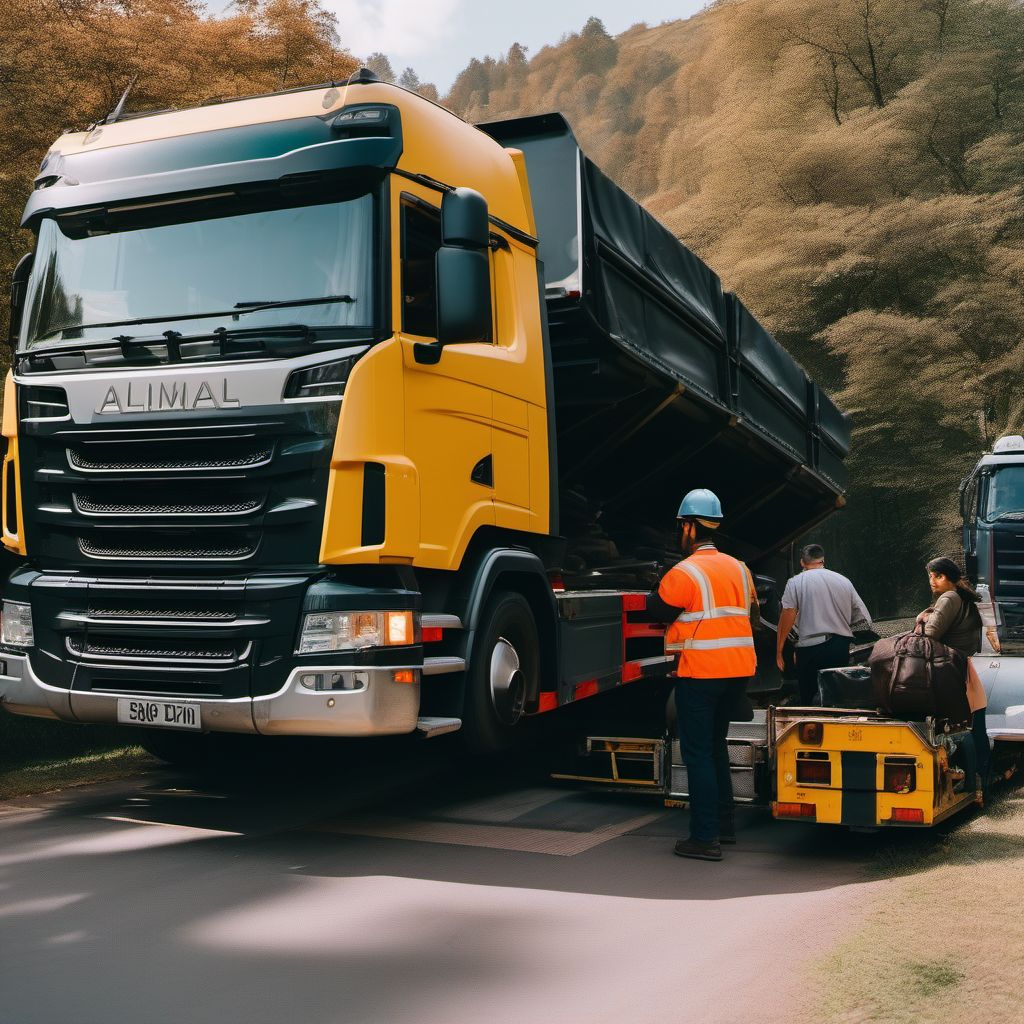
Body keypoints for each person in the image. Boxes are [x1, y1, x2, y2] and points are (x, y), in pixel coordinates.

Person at [647, 488, 759, 862]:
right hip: (738, 672)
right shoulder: (740, 569)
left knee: (697, 755)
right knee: (715, 747)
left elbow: (659, 609)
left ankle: (704, 838)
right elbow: (752, 616)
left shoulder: (685, 571)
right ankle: (724, 827)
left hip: (701, 674)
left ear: (690, 527)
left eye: (681, 526)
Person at [917, 557, 989, 800]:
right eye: (931, 576)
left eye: (937, 576)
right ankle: (979, 780)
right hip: (963, 667)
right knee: (972, 725)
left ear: (947, 577)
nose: (932, 582)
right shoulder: (963, 597)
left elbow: (931, 634)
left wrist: (925, 618)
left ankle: (970, 782)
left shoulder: (949, 598)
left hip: (948, 671)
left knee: (958, 727)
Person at [775, 543, 872, 704]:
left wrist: (779, 649)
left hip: (809, 648)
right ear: (823, 560)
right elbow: (860, 613)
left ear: (802, 562)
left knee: (809, 696)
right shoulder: (843, 580)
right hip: (839, 646)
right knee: (836, 695)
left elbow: (788, 615)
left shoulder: (795, 582)